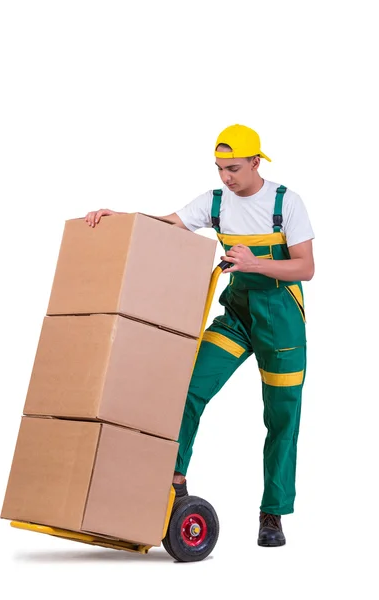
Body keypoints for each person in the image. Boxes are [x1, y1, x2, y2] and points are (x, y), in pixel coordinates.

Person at [85, 124, 315, 547]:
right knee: (187, 388)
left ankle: (273, 513)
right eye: (219, 168)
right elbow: (169, 224)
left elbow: (305, 267)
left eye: (233, 168)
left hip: (282, 323)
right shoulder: (215, 203)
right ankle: (175, 482)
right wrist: (123, 219)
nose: (226, 177)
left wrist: (255, 264)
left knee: (282, 416)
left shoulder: (286, 202)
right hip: (238, 317)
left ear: (255, 162)